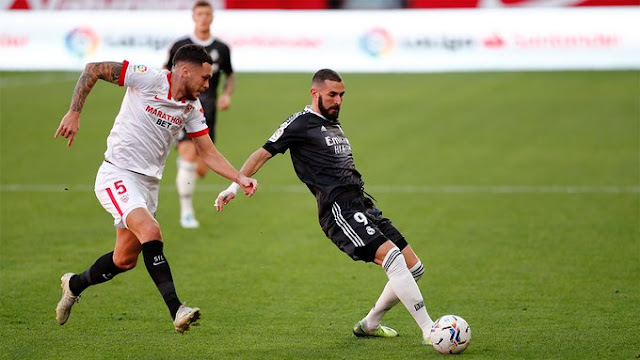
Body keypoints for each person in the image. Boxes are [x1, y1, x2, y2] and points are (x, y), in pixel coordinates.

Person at [214, 69, 434, 344]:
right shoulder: (300, 123)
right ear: (314, 93)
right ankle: (430, 330)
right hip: (338, 209)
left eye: (342, 95)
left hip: (362, 204)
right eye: (332, 94)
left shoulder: (333, 123)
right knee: (392, 258)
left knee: (415, 268)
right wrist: (234, 185)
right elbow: (263, 152)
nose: (338, 100)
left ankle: (370, 323)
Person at [53, 44, 257, 333]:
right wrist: (74, 112)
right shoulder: (147, 78)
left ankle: (74, 284)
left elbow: (207, 152)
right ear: (185, 71)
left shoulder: (191, 107)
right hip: (117, 173)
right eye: (205, 78)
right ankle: (177, 309)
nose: (208, 85)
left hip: (149, 185)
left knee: (124, 260)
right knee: (151, 231)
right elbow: (93, 69)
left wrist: (239, 177)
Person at [165, 0, 235, 228]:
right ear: (194, 17)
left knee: (202, 168)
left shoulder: (222, 48)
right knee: (187, 156)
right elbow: (166, 70)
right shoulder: (180, 46)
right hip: (183, 107)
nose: (203, 18)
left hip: (209, 110)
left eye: (207, 14)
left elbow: (230, 75)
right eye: (199, 14)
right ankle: (186, 213)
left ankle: (187, 165)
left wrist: (226, 95)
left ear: (212, 17)